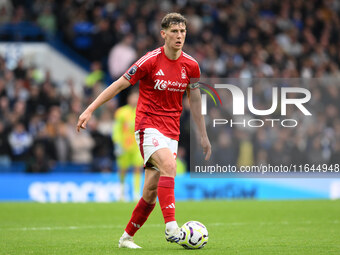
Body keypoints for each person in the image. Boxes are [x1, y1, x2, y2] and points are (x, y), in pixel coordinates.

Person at [77, 13, 211, 249]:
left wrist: (203, 135)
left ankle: (126, 238)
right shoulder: (149, 61)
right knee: (170, 166)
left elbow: (196, 99)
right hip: (147, 126)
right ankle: (172, 228)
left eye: (182, 32)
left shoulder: (191, 66)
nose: (179, 36)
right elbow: (119, 84)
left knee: (150, 191)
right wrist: (89, 109)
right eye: (174, 32)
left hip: (172, 131)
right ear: (164, 34)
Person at [112, 89, 143, 201]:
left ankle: (136, 193)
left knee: (138, 168)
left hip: (137, 146)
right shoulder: (121, 112)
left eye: (137, 97)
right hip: (124, 145)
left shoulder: (142, 111)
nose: (134, 99)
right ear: (128, 99)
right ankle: (121, 193)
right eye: (133, 97)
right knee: (122, 169)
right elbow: (117, 129)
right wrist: (117, 143)